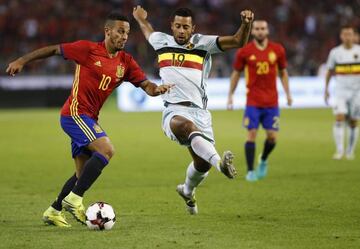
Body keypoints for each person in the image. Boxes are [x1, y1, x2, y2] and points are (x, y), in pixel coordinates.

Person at [6, 12, 172, 227]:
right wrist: (22, 60)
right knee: (106, 150)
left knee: (82, 173)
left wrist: (156, 89)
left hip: (89, 117)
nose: (124, 37)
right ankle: (74, 200)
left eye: (127, 33)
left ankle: (54, 210)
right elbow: (55, 49)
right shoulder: (88, 49)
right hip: (74, 113)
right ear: (107, 31)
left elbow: (146, 85)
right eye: (120, 31)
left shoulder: (126, 62)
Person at [133, 5, 254, 215]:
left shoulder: (203, 43)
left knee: (201, 164)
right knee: (186, 127)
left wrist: (246, 24)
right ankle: (220, 164)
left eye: (185, 27)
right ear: (172, 26)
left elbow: (238, 41)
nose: (181, 30)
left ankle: (187, 191)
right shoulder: (161, 41)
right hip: (173, 110)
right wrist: (140, 18)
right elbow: (148, 31)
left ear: (192, 28)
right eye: (178, 26)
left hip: (200, 112)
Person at [227, 20, 292, 182]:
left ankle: (263, 159)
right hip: (253, 101)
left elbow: (283, 73)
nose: (260, 31)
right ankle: (250, 171)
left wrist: (288, 93)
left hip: (272, 102)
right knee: (251, 134)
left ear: (267, 30)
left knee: (272, 138)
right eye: (257, 29)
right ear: (253, 32)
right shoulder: (245, 51)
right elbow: (236, 73)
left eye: (263, 28)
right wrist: (230, 95)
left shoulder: (277, 50)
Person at [324, 25, 360, 160]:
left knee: (353, 122)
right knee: (339, 118)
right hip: (341, 91)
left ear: (354, 36)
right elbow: (329, 71)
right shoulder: (335, 52)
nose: (347, 37)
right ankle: (339, 150)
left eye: (350, 34)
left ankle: (350, 151)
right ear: (341, 36)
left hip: (357, 92)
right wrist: (326, 89)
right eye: (345, 34)